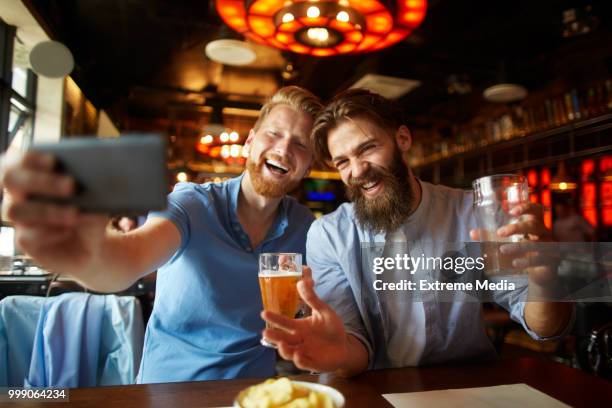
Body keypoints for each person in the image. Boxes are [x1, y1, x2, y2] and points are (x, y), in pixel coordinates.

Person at [0, 86, 322, 382]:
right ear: (250, 141)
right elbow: (126, 261)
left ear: (309, 165)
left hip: (255, 393)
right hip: (169, 390)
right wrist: (89, 251)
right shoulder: (193, 203)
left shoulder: (304, 227)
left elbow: (310, 311)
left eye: (300, 144)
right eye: (274, 134)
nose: (283, 149)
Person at [261, 89, 574, 377]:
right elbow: (353, 343)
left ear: (402, 139)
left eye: (368, 148)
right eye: (343, 162)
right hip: (376, 390)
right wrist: (339, 351)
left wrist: (545, 282)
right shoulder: (328, 235)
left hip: (469, 386)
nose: (357, 171)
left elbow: (546, 328)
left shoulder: (472, 213)